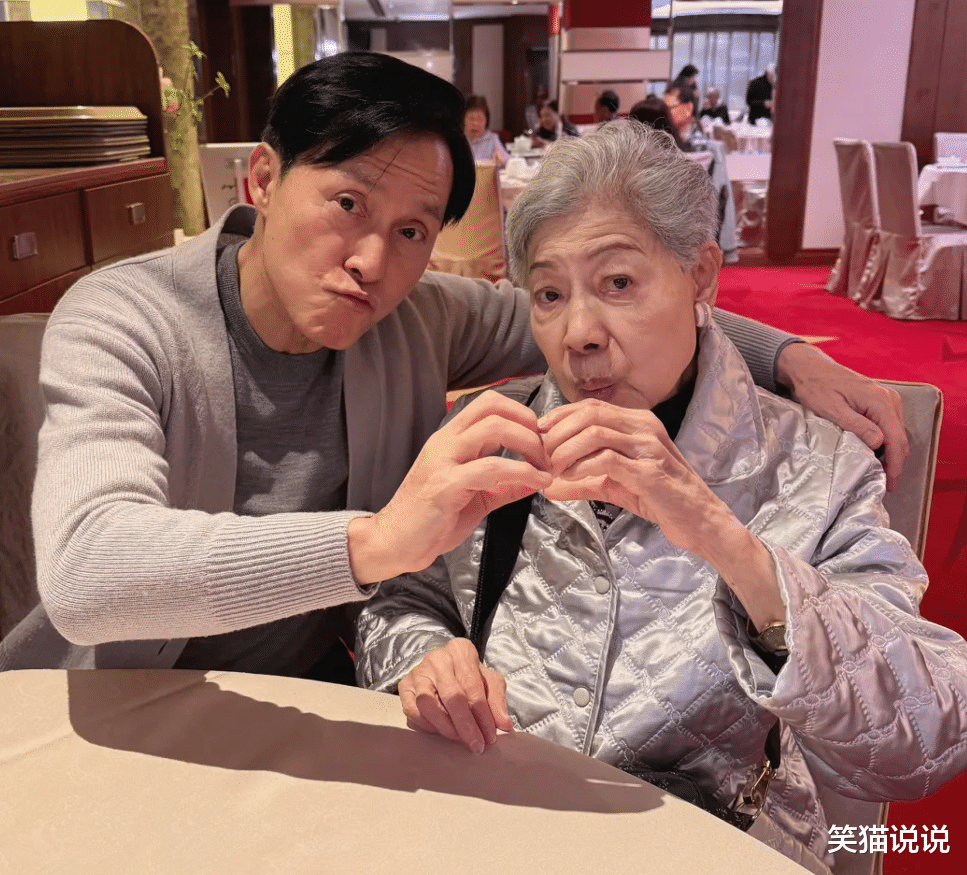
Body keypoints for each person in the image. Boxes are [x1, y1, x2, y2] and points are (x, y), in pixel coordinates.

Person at [0, 53, 908, 677]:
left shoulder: (412, 313)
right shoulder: (125, 317)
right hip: (112, 705)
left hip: (315, 704)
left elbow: (588, 306)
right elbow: (86, 574)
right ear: (263, 180)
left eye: (411, 230)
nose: (370, 260)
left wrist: (786, 353)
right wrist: (377, 543)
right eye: (346, 203)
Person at [356, 122, 967, 873]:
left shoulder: (815, 465)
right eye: (549, 294)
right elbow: (400, 602)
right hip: (497, 828)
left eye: (619, 283)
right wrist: (424, 660)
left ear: (700, 275)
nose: (579, 333)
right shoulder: (493, 436)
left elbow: (926, 736)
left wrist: (721, 536)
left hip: (717, 843)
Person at [462, 94, 508, 167]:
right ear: (463, 119)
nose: (475, 123)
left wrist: (502, 159)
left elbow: (509, 161)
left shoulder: (492, 139)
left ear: (486, 120)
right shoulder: (457, 139)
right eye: (471, 118)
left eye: (480, 119)